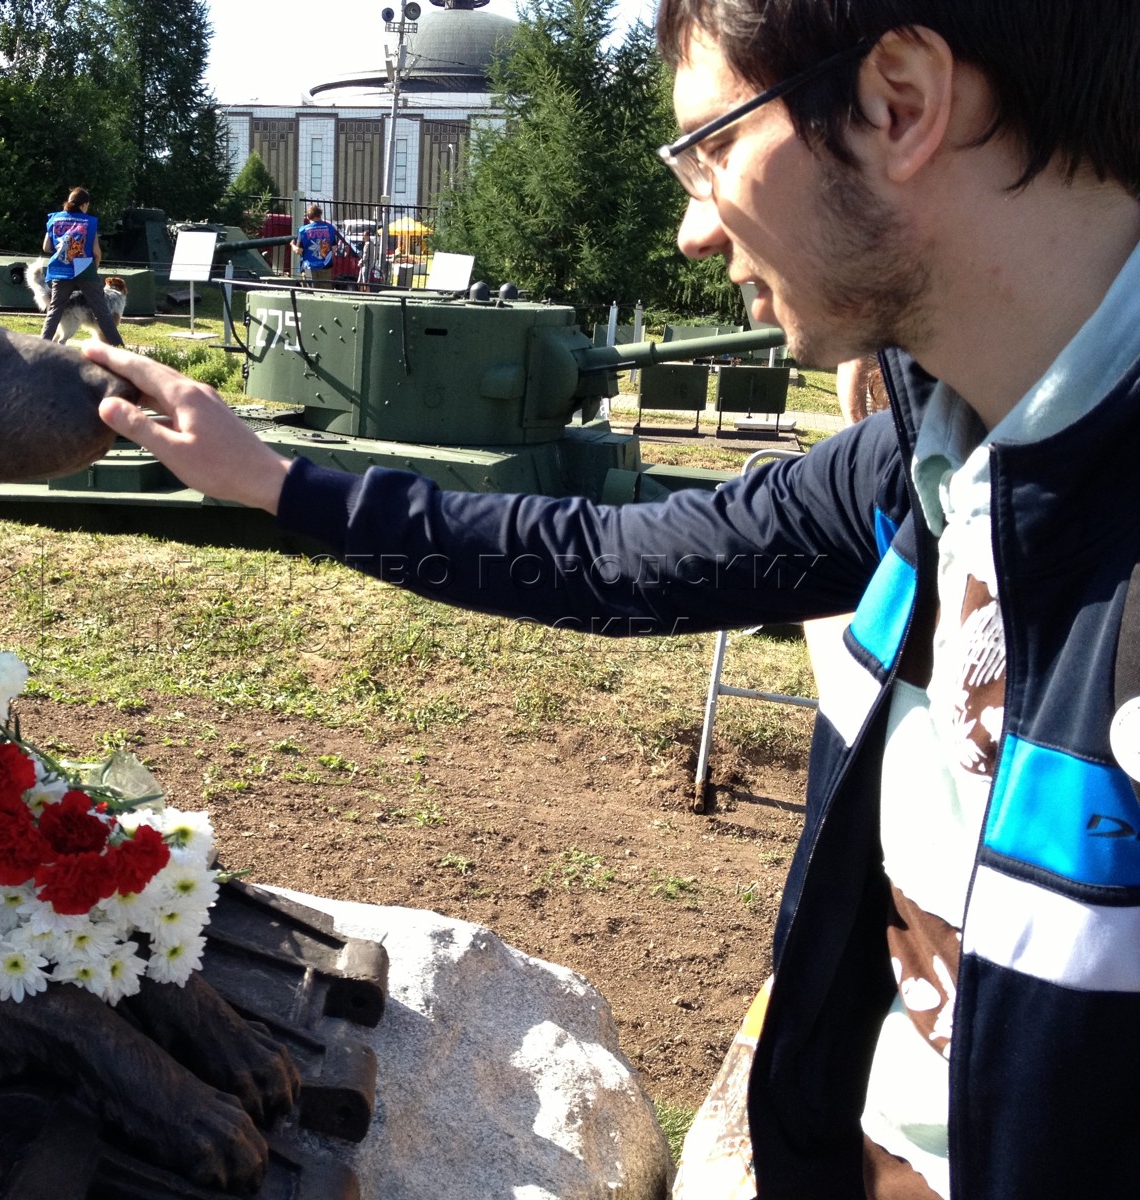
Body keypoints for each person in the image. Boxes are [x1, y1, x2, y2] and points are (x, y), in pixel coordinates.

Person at [85, 1, 1140, 1195]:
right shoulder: (929, 460)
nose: (695, 227)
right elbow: (614, 557)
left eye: (712, 147)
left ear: (899, 102)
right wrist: (275, 483)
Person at [40, 186, 122, 346]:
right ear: (84, 205)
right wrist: (93, 269)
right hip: (85, 270)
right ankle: (116, 345)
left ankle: (42, 345)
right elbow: (97, 253)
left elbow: (46, 247)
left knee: (55, 310)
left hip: (60, 270)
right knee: (101, 310)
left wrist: (62, 251)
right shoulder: (89, 222)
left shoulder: (55, 219)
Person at [290, 204, 345, 287]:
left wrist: (292, 245)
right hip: (326, 265)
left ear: (309, 217)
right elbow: (334, 249)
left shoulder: (303, 230)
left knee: (309, 293)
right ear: (320, 215)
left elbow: (298, 250)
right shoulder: (330, 228)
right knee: (325, 293)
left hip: (308, 267)